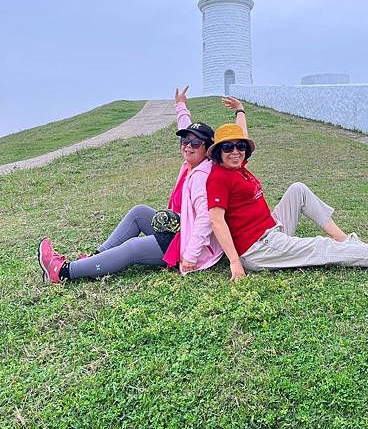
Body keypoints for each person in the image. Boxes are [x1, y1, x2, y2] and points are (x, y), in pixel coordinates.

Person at [38, 87, 245, 284]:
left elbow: (205, 219)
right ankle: (95, 260)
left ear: (208, 150)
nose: (188, 146)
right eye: (185, 142)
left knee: (133, 248)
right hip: (179, 230)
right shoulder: (191, 163)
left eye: (196, 143)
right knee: (139, 213)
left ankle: (62, 272)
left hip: (189, 246)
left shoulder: (204, 176)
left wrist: (190, 256)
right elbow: (185, 127)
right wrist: (181, 106)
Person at [206, 111, 368, 282]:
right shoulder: (219, 178)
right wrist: (235, 263)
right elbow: (217, 221)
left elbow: (241, 135)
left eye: (240, 147)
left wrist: (240, 110)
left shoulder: (237, 166)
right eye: (228, 148)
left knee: (298, 189)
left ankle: (345, 240)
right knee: (319, 247)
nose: (235, 152)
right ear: (218, 152)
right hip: (258, 248)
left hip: (272, 228)